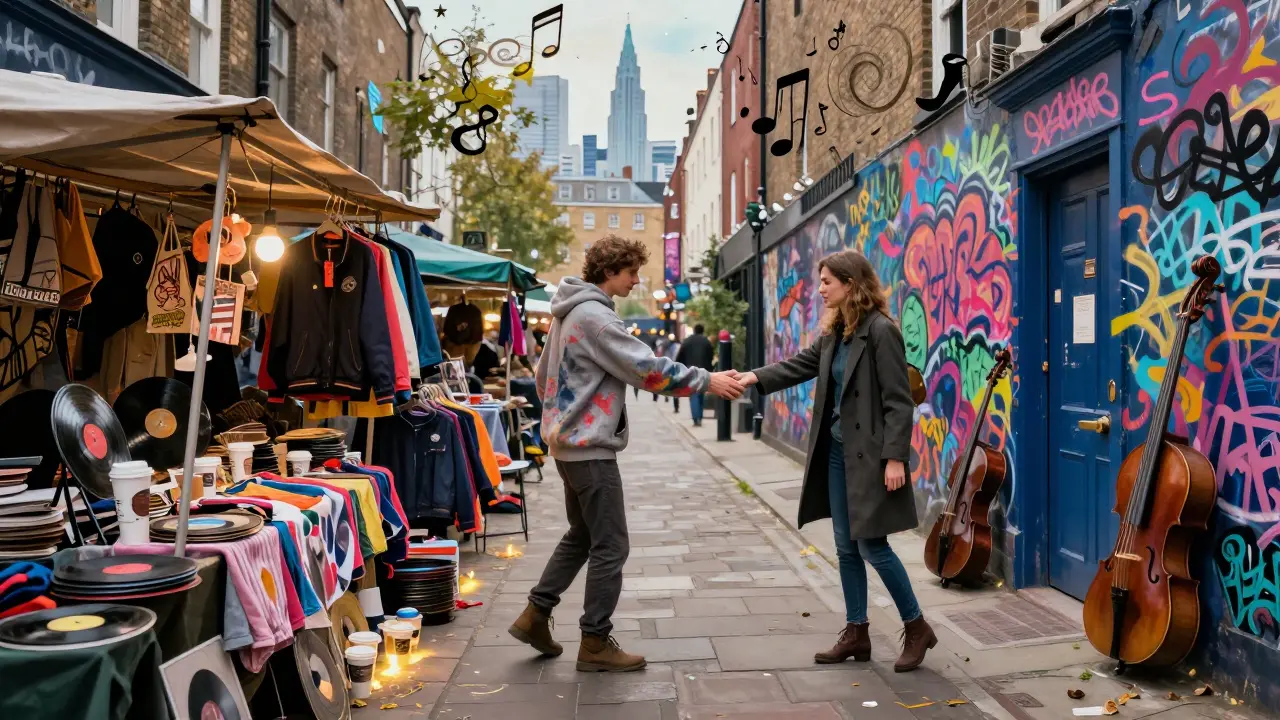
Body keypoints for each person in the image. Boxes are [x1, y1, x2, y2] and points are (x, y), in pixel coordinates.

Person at [510, 235, 746, 672]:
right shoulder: (596, 318)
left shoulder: (567, 314)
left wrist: (561, 423)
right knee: (612, 546)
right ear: (609, 272)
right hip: (589, 450)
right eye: (631, 273)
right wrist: (706, 381)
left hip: (566, 445)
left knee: (581, 535)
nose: (637, 281)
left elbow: (544, 380)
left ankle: (535, 615)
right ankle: (595, 642)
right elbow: (647, 369)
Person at [734, 249, 935, 672]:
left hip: (872, 459)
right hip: (839, 455)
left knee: (873, 546)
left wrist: (895, 458)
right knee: (845, 548)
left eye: (827, 281)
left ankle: (917, 626)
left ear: (850, 284)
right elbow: (803, 364)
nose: (820, 288)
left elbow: (900, 402)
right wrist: (754, 377)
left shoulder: (881, 331)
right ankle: (857, 631)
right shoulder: (838, 331)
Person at [676, 324, 714, 426]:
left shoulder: (687, 341)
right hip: (703, 370)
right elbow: (711, 356)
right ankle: (700, 416)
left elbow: (680, 357)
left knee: (693, 394)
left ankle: (696, 418)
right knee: (701, 393)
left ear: (694, 330)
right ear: (703, 330)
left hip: (690, 371)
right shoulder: (706, 341)